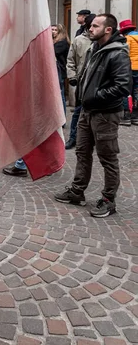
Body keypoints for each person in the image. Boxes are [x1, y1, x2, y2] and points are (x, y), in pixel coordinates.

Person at [55, 14, 131, 218]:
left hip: (105, 114)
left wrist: (95, 97)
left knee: (107, 157)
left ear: (108, 29)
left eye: (96, 26)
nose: (90, 28)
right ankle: (77, 191)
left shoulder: (117, 53)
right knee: (82, 152)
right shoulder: (94, 48)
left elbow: (123, 86)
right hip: (86, 111)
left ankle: (108, 200)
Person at [65, 13, 96, 149]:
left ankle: (93, 139)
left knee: (95, 113)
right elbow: (70, 60)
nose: (92, 29)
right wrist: (72, 76)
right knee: (78, 112)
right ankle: (73, 138)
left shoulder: (103, 41)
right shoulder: (79, 40)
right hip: (82, 83)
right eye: (92, 26)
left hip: (97, 84)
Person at [118, 19, 138, 126]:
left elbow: (125, 53)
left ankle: (126, 117)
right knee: (136, 91)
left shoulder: (127, 39)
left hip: (130, 68)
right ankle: (136, 116)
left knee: (126, 91)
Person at [52, 24, 70, 116]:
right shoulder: (54, 42)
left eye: (55, 30)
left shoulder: (62, 43)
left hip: (59, 70)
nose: (53, 31)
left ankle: (62, 117)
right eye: (52, 29)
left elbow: (53, 52)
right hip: (56, 70)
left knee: (60, 94)